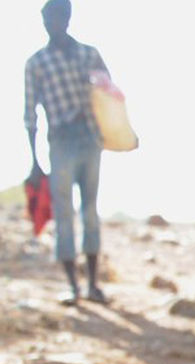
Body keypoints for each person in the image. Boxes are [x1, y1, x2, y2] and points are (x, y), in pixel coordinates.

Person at [25, 0, 109, 305]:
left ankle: (93, 285)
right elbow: (30, 114)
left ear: (67, 18)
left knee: (89, 211)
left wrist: (118, 135)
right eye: (46, 19)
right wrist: (34, 162)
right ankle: (74, 286)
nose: (50, 24)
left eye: (55, 18)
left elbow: (110, 98)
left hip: (89, 137)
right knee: (64, 214)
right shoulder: (37, 63)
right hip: (59, 141)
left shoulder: (89, 55)